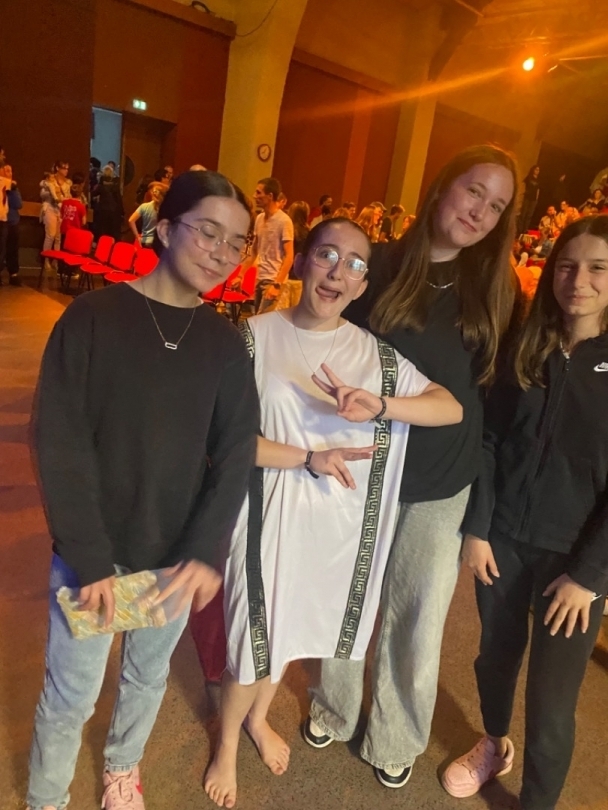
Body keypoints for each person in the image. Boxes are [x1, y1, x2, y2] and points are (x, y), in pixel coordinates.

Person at [203, 217, 462, 809]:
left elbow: (449, 408)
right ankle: (226, 745)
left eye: (355, 264)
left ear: (362, 284)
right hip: (264, 514)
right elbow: (225, 440)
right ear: (301, 261)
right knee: (251, 638)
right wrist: (308, 458)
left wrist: (381, 405)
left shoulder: (372, 355)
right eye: (327, 255)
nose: (338, 272)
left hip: (328, 525)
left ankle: (257, 720)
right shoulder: (252, 338)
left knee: (288, 631)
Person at [26, 169, 260, 810]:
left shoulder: (224, 343)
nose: (221, 251)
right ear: (165, 228)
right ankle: (46, 798)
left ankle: (122, 767)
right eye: (207, 231)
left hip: (173, 558)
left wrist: (205, 549)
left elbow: (235, 452)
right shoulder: (93, 317)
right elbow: (59, 438)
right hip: (92, 555)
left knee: (146, 675)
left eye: (236, 242)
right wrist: (89, 557)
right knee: (71, 693)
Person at [305, 144, 519, 790]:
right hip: (366, 464)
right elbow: (325, 338)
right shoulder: (381, 264)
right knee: (348, 593)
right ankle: (334, 704)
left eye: (497, 206)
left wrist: (481, 516)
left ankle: (396, 733)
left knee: (417, 617)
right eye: (474, 190)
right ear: (443, 186)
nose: (480, 211)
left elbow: (495, 411)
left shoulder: (498, 290)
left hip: (443, 478)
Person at [442, 215, 608, 810]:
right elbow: (489, 440)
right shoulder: (527, 345)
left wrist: (590, 576)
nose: (578, 281)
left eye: (597, 268)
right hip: (504, 541)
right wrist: (479, 527)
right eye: (567, 266)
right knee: (495, 656)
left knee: (552, 703)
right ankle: (493, 744)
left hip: (574, 562)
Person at [231, 177, 294, 313]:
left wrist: (277, 284)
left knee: (262, 320)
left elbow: (289, 256)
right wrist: (240, 275)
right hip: (260, 278)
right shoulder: (259, 218)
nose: (255, 196)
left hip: (273, 280)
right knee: (259, 319)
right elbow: (254, 251)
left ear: (270, 196)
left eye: (259, 192)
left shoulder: (284, 221)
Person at [40, 162, 72, 276]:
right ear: (58, 168)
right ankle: (46, 260)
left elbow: (69, 196)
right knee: (50, 235)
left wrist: (64, 198)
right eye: (64, 168)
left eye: (67, 168)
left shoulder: (68, 183)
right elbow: (42, 195)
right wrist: (52, 194)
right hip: (50, 208)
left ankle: (56, 261)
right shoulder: (49, 180)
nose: (66, 170)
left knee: (58, 237)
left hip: (61, 210)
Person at [2, 164, 23, 285]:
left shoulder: (14, 188)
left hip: (13, 221)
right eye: (6, 171)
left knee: (13, 248)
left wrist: (13, 190)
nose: (9, 173)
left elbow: (19, 204)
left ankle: (13, 274)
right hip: (2, 221)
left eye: (10, 171)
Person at [93, 165, 124, 242]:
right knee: (112, 231)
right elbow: (119, 199)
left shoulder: (100, 186)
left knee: (103, 231)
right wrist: (122, 212)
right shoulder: (115, 186)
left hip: (102, 210)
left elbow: (93, 193)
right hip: (113, 211)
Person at [0, 163, 13, 283]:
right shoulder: (4, 180)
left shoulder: (6, 182)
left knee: (2, 247)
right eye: (5, 170)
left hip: (3, 218)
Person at [519, 164, 540, 234]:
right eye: (536, 169)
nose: (537, 171)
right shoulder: (529, 177)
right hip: (527, 198)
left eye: (538, 170)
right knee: (523, 214)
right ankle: (520, 230)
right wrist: (522, 193)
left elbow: (538, 190)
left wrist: (536, 198)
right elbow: (523, 184)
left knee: (529, 215)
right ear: (533, 170)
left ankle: (525, 230)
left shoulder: (538, 180)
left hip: (533, 200)